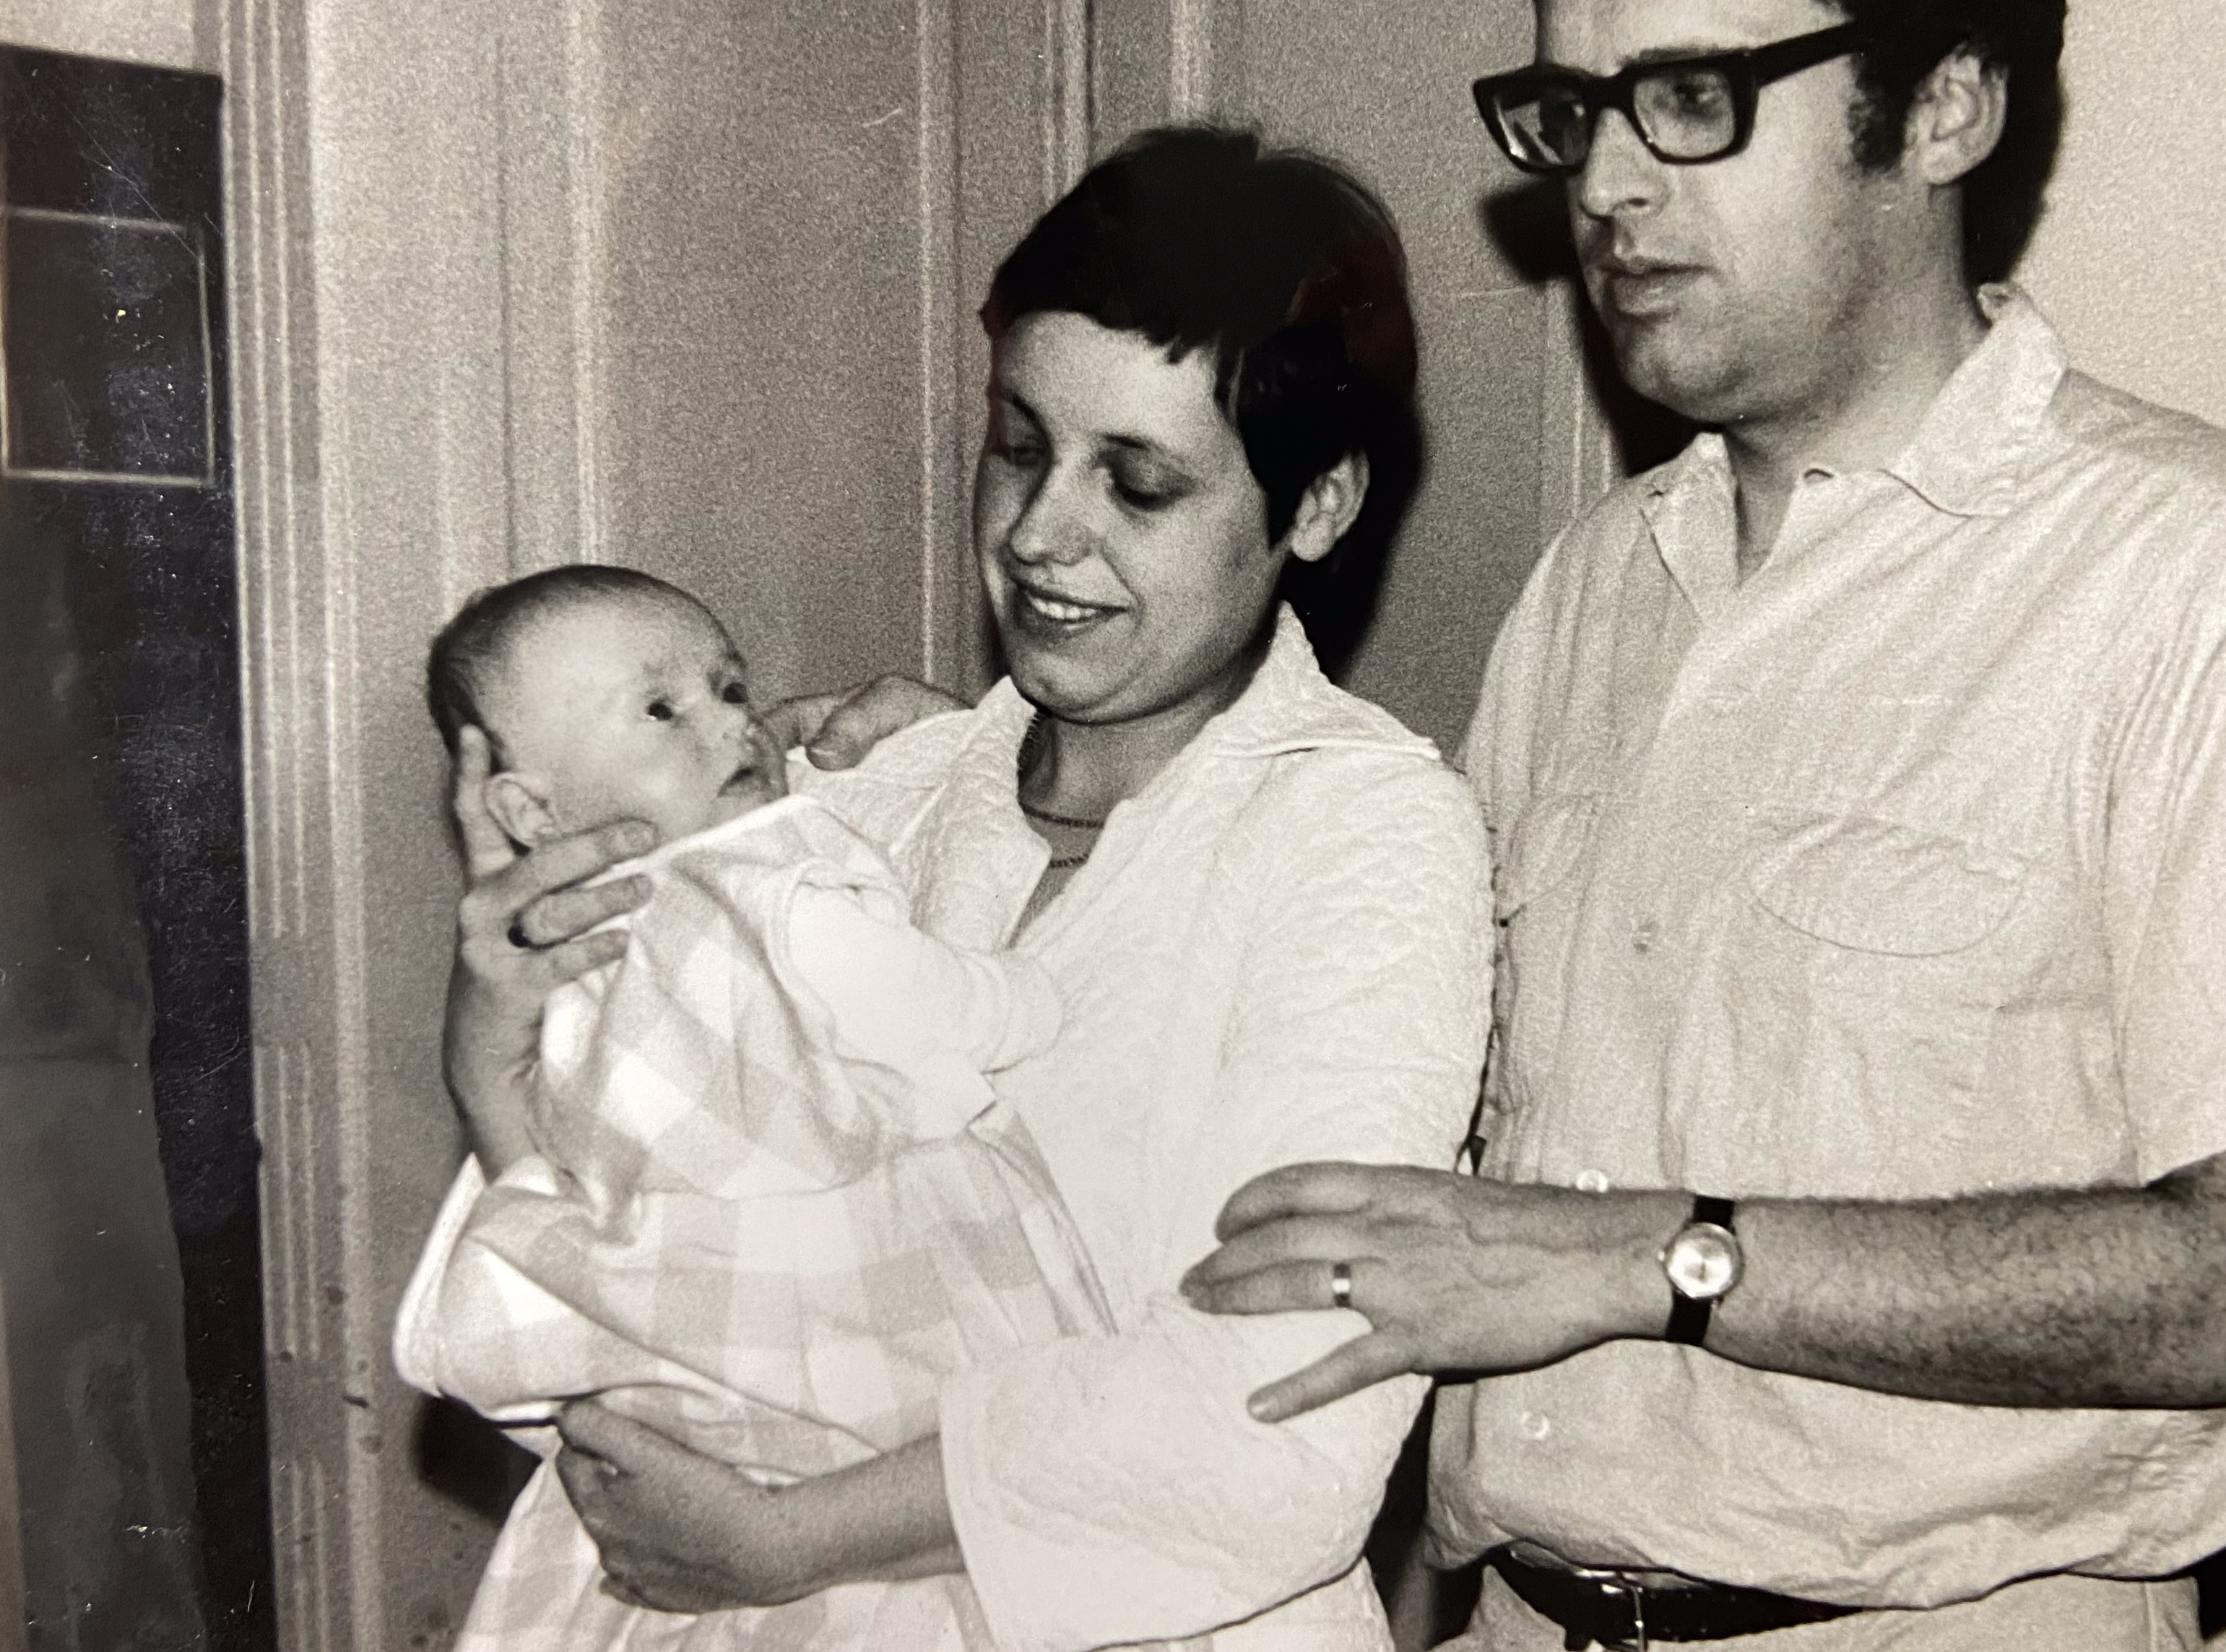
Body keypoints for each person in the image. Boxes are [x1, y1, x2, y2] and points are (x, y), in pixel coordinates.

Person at [1179, 0, 2226, 1651]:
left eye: (1689, 98)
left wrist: (1649, 1261)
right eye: (1573, 108)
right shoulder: (1592, 587)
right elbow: (1451, 1186)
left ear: (1939, 109)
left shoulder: (2200, 575)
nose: (1603, 184)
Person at [434, 127, 1492, 1651]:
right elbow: (634, 1342)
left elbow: (1278, 1416)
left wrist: (790, 1536)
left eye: (1137, 483)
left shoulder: (1365, 837)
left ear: (1315, 507)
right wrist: (497, 1048)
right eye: (1018, 445)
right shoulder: (860, 802)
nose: (1040, 533)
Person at [394, 563, 1107, 1652]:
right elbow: (919, 999)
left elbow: (553, 1192)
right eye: (661, 708)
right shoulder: (770, 881)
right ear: (529, 809)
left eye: (729, 687)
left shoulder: (575, 964)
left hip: (694, 1356)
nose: (732, 721)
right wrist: (1026, 994)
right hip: (835, 1334)